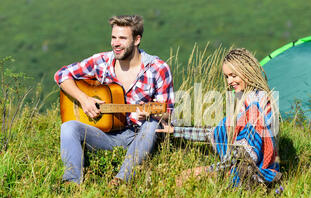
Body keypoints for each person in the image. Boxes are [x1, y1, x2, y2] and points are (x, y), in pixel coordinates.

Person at [54, 15, 174, 186]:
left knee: (151, 124)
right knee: (68, 127)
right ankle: (71, 183)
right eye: (113, 37)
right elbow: (61, 75)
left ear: (136, 40)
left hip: (139, 136)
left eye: (122, 38)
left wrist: (151, 114)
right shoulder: (101, 61)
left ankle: (121, 180)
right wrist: (84, 99)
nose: (116, 43)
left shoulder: (157, 69)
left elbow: (168, 114)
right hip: (105, 134)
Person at [168, 48, 281, 188]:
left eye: (233, 75)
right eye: (227, 77)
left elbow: (244, 153)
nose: (229, 81)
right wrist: (174, 131)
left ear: (246, 71)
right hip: (242, 171)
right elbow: (215, 133)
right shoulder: (244, 100)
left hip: (254, 176)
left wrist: (207, 171)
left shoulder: (256, 103)